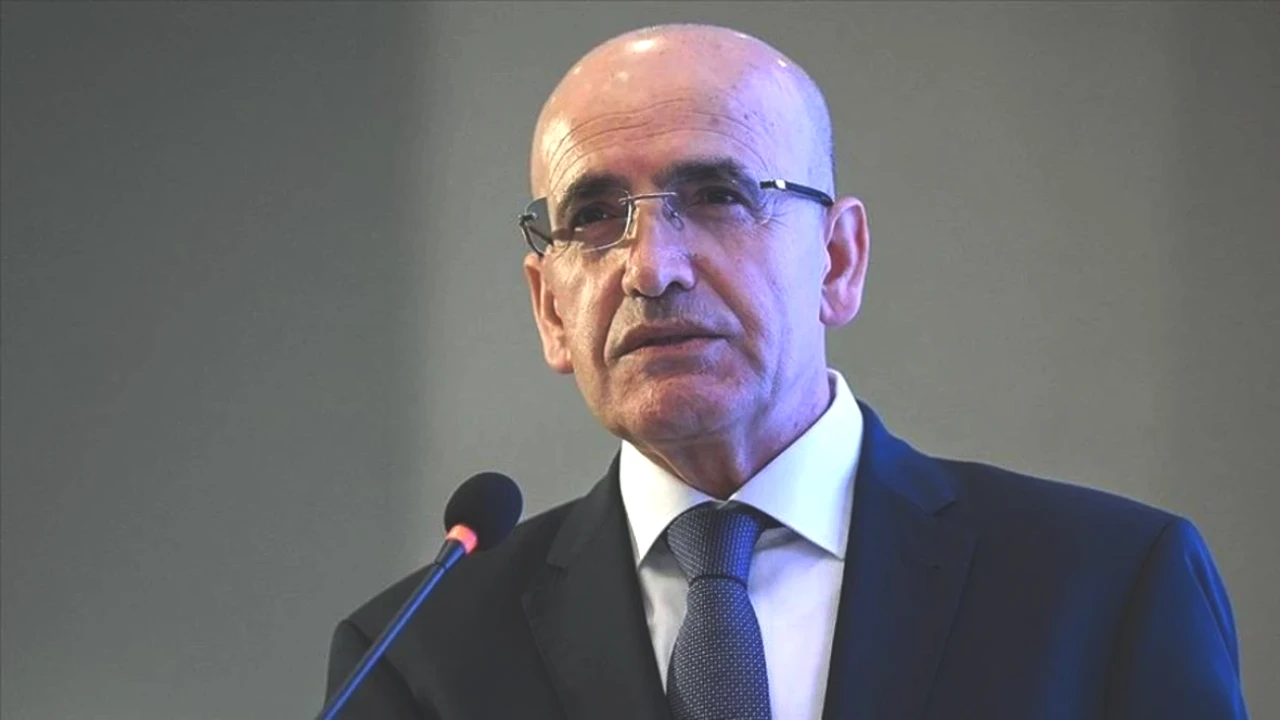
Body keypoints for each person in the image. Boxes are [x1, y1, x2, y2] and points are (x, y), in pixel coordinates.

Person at [324, 24, 1247, 719]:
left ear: (838, 261)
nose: (652, 269)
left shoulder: (1107, 589)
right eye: (596, 217)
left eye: (718, 196)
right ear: (550, 308)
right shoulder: (418, 657)